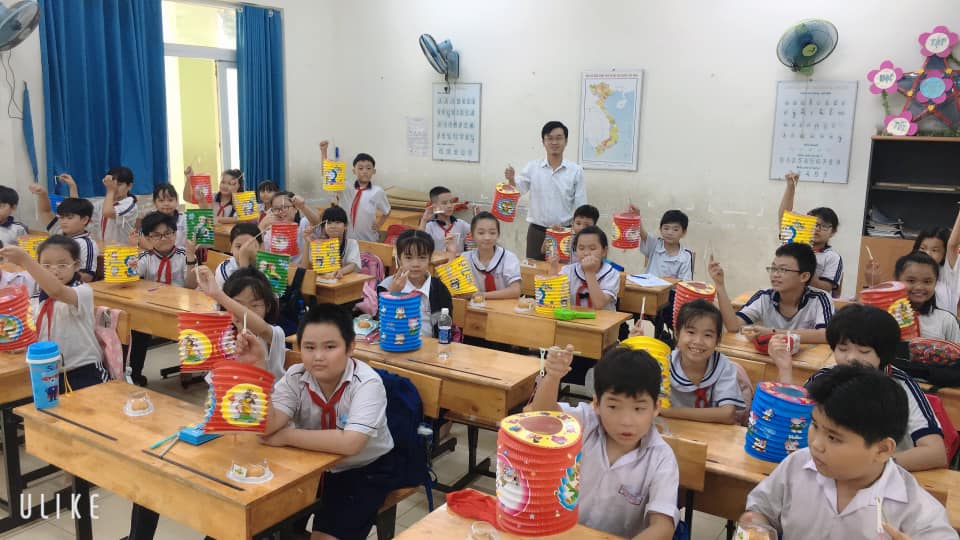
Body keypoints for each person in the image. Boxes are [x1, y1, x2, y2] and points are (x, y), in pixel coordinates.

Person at [740, 364, 957, 540]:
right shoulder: (797, 465)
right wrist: (756, 525)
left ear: (882, 450)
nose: (816, 444)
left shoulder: (914, 509)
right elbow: (760, 510)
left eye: (833, 438)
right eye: (815, 425)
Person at [241, 304, 395, 540]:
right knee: (252, 520)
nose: (318, 356)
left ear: (350, 347)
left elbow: (351, 443)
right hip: (310, 462)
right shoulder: (296, 376)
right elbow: (267, 427)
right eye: (309, 347)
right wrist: (257, 367)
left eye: (330, 347)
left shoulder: (367, 383)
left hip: (362, 468)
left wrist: (287, 436)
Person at [526, 345, 678, 539]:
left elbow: (663, 527)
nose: (626, 421)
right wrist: (553, 377)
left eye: (639, 409)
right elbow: (544, 418)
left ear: (656, 408)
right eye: (614, 406)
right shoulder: (587, 422)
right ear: (596, 404)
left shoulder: (661, 458)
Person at [771, 304, 947, 471]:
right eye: (842, 349)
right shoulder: (826, 377)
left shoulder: (900, 386)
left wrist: (868, 468)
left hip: (880, 477)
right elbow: (794, 420)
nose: (851, 358)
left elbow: (935, 452)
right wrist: (785, 369)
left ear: (884, 354)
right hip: (827, 469)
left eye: (864, 352)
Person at [0, 237, 107, 389]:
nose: (54, 271)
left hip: (84, 371)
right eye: (46, 265)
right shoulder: (35, 299)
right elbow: (34, 331)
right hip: (48, 372)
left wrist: (25, 259)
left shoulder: (82, 292)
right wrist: (21, 345)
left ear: (76, 265)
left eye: (62, 265)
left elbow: (56, 291)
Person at [711, 242, 834, 344]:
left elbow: (826, 335)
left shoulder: (820, 298)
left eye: (783, 270)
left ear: (804, 276)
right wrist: (720, 285)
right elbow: (733, 326)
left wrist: (773, 333)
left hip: (806, 361)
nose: (775, 274)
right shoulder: (764, 296)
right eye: (773, 268)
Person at [127, 212, 198, 386]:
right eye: (157, 235)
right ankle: (135, 373)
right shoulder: (146, 258)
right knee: (138, 328)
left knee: (189, 329)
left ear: (175, 234)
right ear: (148, 238)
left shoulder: (184, 255)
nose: (164, 238)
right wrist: (132, 251)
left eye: (168, 233)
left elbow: (191, 285)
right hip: (153, 308)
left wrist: (191, 258)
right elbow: (130, 278)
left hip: (182, 307)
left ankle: (188, 368)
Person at [504, 121, 587, 260]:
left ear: (566, 141)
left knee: (561, 271)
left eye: (559, 138)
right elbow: (517, 191)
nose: (554, 142)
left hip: (563, 233)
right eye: (550, 138)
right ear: (543, 142)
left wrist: (580, 233)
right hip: (537, 232)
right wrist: (511, 179)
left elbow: (581, 205)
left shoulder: (576, 171)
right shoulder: (532, 167)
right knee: (534, 270)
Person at [660, 299, 744, 424]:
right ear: (677, 333)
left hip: (714, 434)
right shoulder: (663, 364)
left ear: (717, 340)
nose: (698, 341)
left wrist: (670, 412)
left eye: (708, 335)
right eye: (691, 332)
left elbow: (727, 414)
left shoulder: (723, 366)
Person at [377, 230, 452, 338]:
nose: (415, 264)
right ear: (399, 259)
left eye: (422, 258)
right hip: (398, 344)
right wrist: (392, 295)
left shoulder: (439, 288)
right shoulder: (387, 286)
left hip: (431, 346)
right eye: (408, 258)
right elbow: (383, 327)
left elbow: (444, 328)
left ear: (430, 259)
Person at [779, 171, 843, 297]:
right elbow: (784, 217)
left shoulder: (832, 257)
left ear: (833, 232)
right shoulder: (793, 246)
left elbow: (827, 287)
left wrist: (806, 269)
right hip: (787, 297)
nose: (816, 229)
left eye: (823, 226)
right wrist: (791, 187)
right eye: (813, 224)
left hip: (815, 301)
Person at [320, 140, 391, 242]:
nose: (364, 171)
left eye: (368, 168)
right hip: (346, 239)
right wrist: (324, 152)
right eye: (360, 168)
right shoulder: (346, 187)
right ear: (354, 171)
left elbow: (387, 211)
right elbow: (328, 176)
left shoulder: (377, 191)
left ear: (374, 171)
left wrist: (379, 224)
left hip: (368, 239)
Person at [29, 183, 97, 282]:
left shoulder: (86, 244)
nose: (64, 221)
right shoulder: (58, 231)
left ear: (84, 220)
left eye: (69, 218)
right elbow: (45, 212)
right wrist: (42, 194)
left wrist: (57, 276)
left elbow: (87, 276)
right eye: (61, 217)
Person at [894, 252, 960, 342]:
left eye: (927, 282)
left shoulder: (946, 320)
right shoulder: (887, 317)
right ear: (896, 280)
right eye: (911, 281)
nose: (919, 287)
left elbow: (956, 349)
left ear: (935, 283)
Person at [462, 211, 521, 299]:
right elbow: (456, 289)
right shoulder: (465, 258)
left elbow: (515, 290)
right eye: (481, 233)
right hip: (475, 305)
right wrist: (452, 252)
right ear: (472, 235)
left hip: (504, 304)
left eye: (492, 233)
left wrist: (482, 295)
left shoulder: (509, 257)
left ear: (498, 235)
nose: (487, 237)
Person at [308, 205, 361, 279]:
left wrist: (341, 271)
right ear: (324, 226)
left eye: (337, 222)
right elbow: (313, 264)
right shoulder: (319, 245)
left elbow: (353, 264)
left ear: (346, 225)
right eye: (329, 223)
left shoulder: (352, 243)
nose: (333, 226)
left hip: (346, 280)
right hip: (324, 280)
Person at [419, 186, 471, 254]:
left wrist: (478, 218)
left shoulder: (461, 224)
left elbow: (476, 232)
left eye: (451, 202)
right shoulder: (430, 226)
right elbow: (418, 244)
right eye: (444, 203)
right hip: (438, 260)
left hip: (458, 260)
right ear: (434, 206)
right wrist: (424, 220)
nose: (449, 206)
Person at [214, 222, 261, 288]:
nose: (243, 251)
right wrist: (244, 263)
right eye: (239, 246)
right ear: (231, 247)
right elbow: (242, 293)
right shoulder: (225, 270)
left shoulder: (265, 266)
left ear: (259, 247)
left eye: (249, 246)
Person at [99, 166, 138, 244]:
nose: (115, 188)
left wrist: (110, 190)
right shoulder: (105, 202)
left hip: (123, 249)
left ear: (129, 186)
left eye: (119, 184)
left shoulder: (130, 205)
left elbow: (107, 212)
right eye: (112, 184)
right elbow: (81, 212)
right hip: (106, 248)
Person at [151, 183, 187, 248]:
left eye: (170, 200)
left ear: (176, 201)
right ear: (154, 203)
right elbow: (142, 237)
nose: (166, 204)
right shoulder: (150, 219)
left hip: (182, 253)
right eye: (161, 201)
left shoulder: (184, 219)